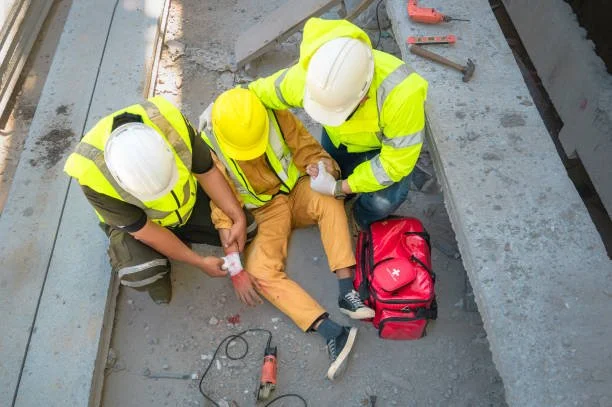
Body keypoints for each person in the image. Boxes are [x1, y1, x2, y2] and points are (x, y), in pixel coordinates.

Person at [198, 88, 374, 380]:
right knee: (257, 272)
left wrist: (322, 168)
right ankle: (333, 332)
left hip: (299, 190)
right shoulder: (209, 148)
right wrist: (235, 269)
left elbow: (310, 150)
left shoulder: (272, 113)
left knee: (330, 202)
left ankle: (347, 293)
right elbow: (222, 215)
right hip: (267, 212)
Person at [64, 96, 256, 304]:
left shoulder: (169, 122)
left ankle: (180, 240)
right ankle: (159, 271)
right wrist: (199, 262)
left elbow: (207, 172)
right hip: (139, 226)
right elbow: (148, 232)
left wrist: (236, 217)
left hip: (186, 205)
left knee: (248, 228)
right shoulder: (91, 174)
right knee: (141, 271)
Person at [250, 18, 428, 229]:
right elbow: (260, 92)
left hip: (381, 148)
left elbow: (393, 164)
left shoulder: (403, 95)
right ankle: (338, 200)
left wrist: (341, 187)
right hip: (339, 138)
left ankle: (360, 220)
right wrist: (229, 105)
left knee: (384, 200)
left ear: (363, 98)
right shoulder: (312, 79)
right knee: (330, 168)